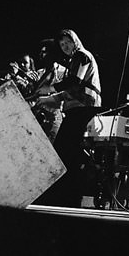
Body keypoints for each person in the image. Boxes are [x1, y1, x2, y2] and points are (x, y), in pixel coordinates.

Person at [34, 29, 102, 207]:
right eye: (62, 44)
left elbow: (74, 83)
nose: (65, 47)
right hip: (76, 108)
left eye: (67, 42)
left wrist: (49, 90)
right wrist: (48, 99)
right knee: (67, 151)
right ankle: (68, 195)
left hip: (84, 107)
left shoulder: (82, 55)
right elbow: (70, 91)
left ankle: (65, 195)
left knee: (64, 150)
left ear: (75, 41)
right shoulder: (74, 61)